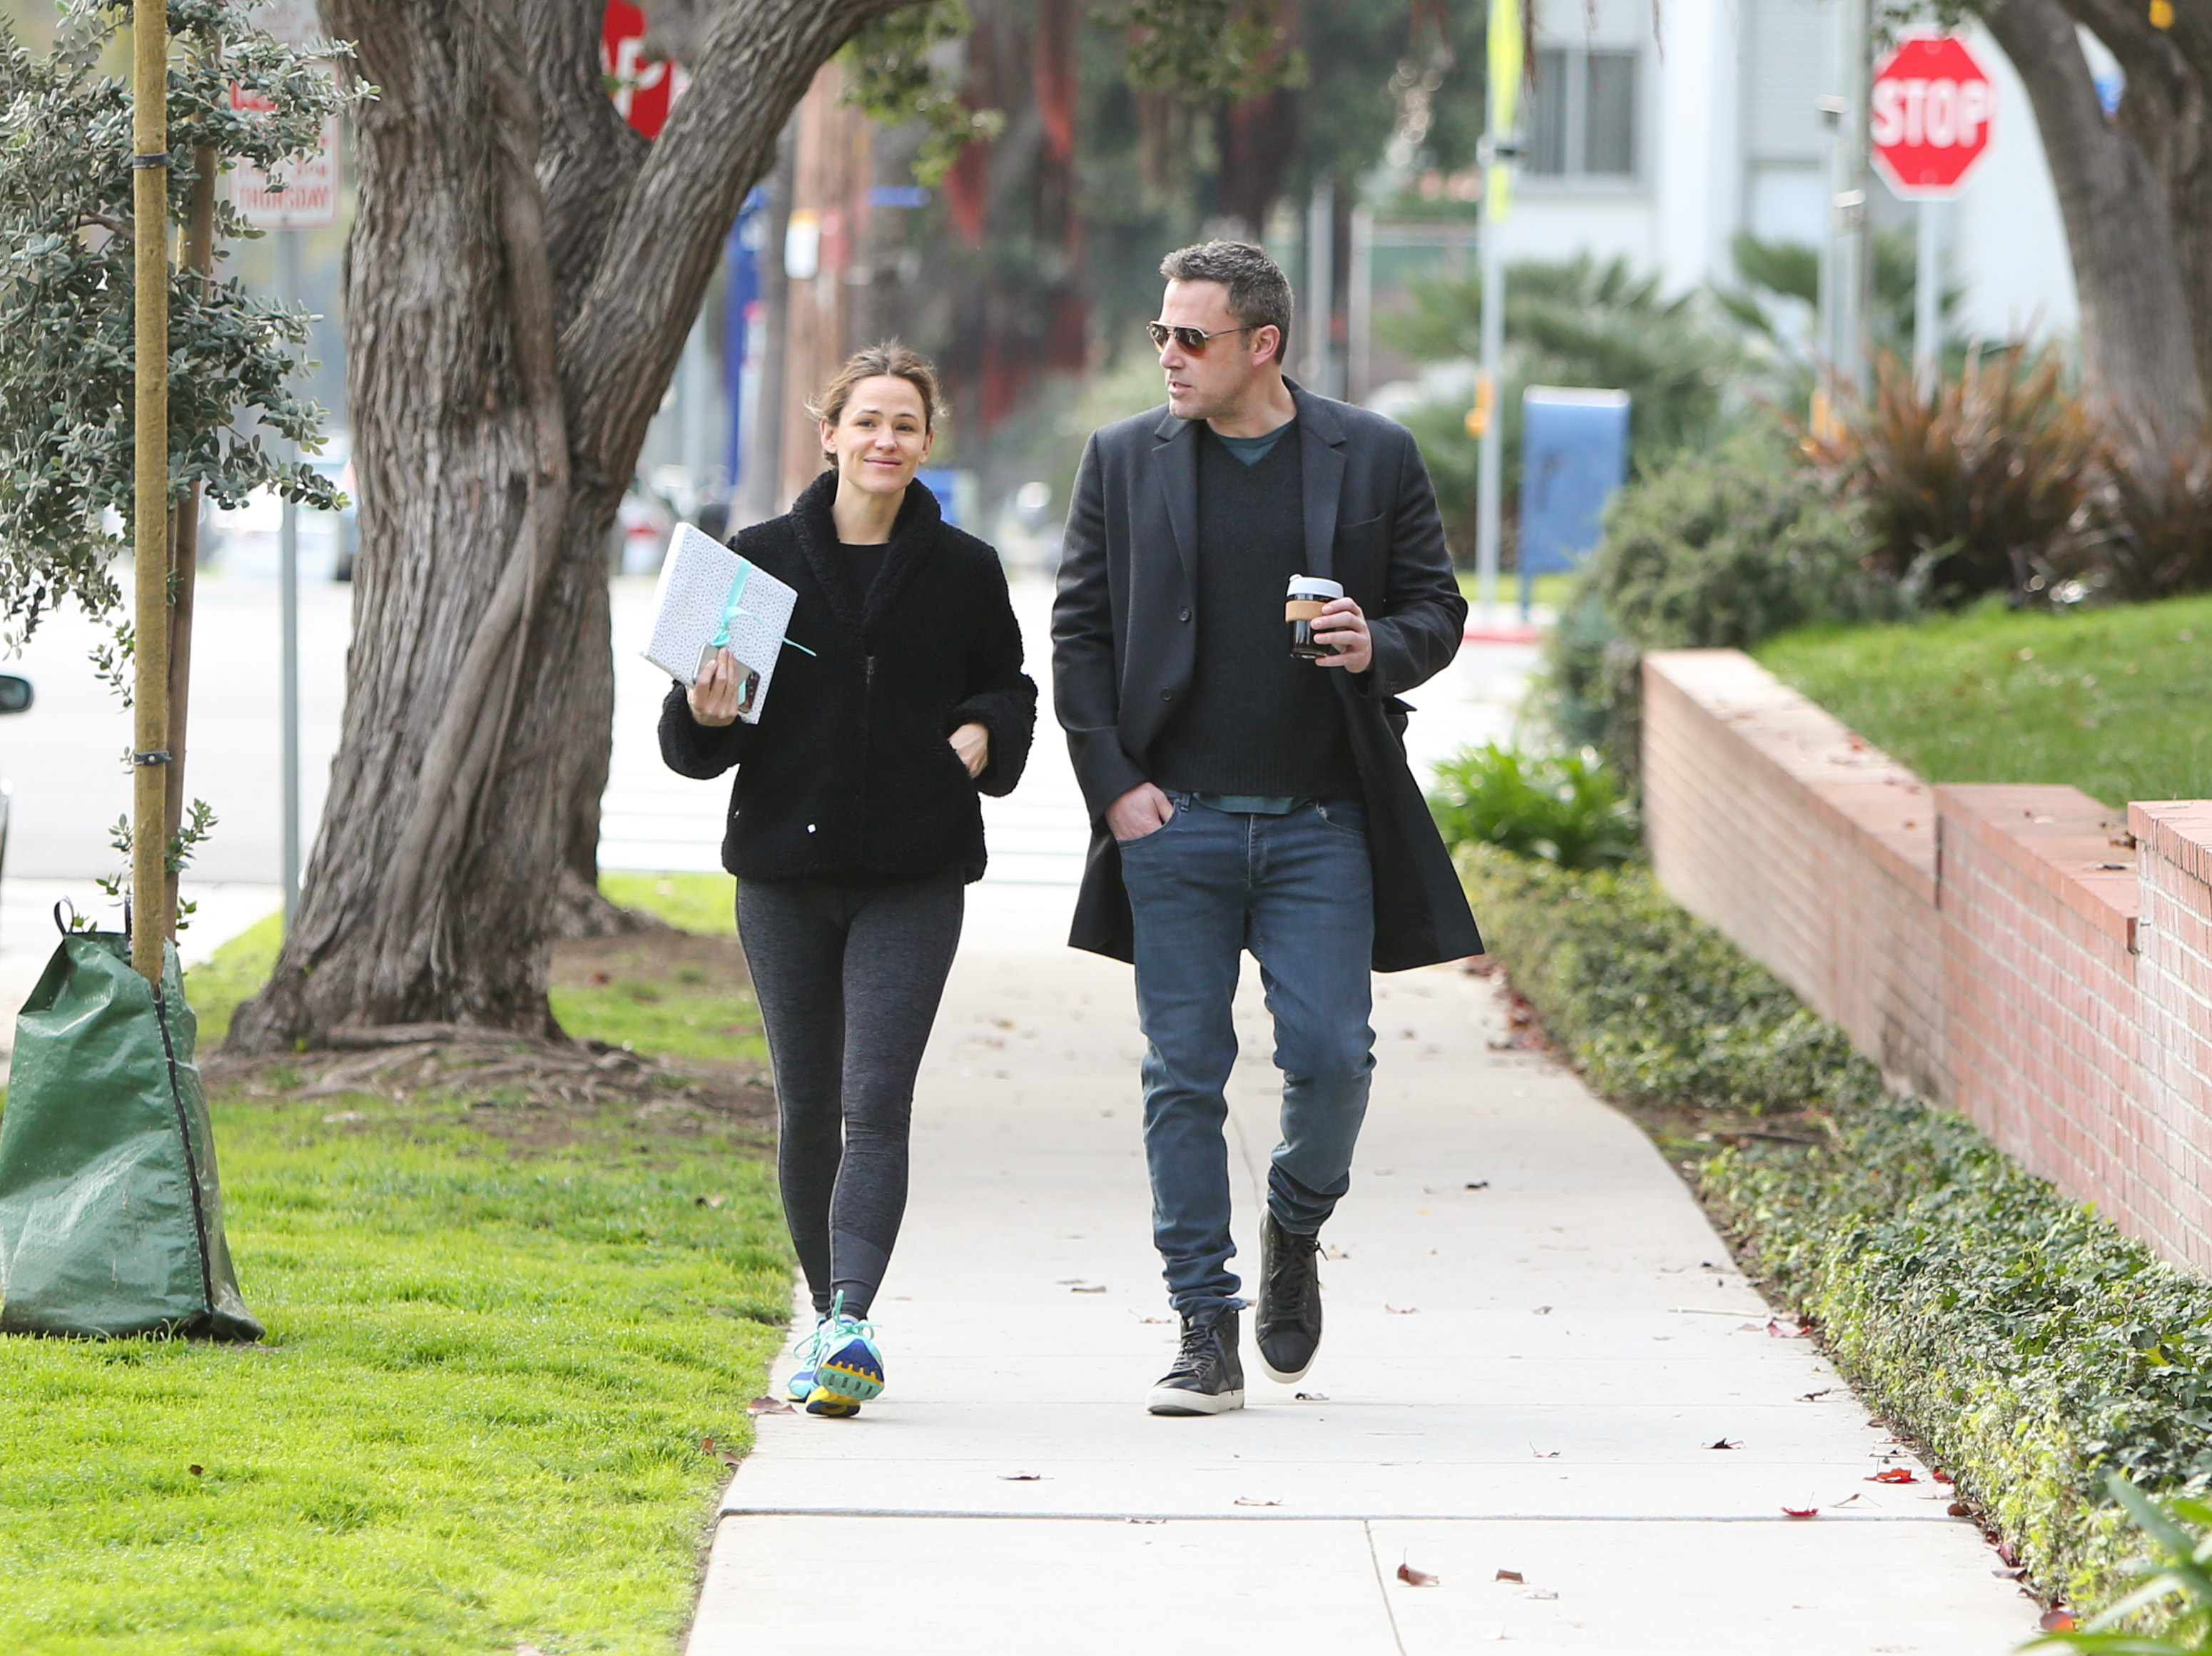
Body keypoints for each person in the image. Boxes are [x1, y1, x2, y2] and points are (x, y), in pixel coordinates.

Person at [1052, 241, 1481, 1416]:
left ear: (1264, 345)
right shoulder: (1124, 460)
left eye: (1193, 338)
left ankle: (1296, 1221)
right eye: (1162, 335)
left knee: (1334, 1055)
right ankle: (1205, 1324)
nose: (1170, 357)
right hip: (1173, 827)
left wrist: (1376, 646)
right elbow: (1080, 638)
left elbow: (1435, 608)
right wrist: (1115, 787)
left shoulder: (1372, 453)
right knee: (1182, 1078)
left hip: (1322, 824)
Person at [660, 343, 1036, 1418]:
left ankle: (852, 1320)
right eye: (865, 420)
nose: (885, 440)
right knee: (808, 1101)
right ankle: (829, 1314)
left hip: (914, 874)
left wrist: (978, 737)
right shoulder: (759, 560)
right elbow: (690, 741)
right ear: (829, 433)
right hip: (784, 871)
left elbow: (1009, 688)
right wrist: (707, 711)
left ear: (927, 442)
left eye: (905, 424)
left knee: (876, 1101)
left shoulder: (966, 569)